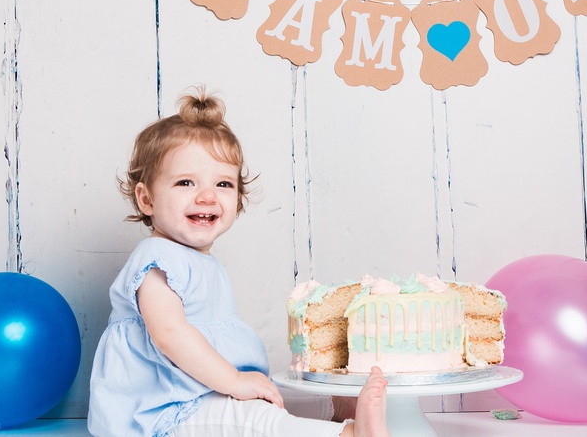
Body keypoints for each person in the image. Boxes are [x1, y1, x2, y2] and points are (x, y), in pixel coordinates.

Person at [88, 86, 390, 437]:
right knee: (254, 421)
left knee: (275, 395)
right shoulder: (155, 259)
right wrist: (232, 380)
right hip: (162, 412)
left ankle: (334, 407)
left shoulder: (203, 263)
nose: (207, 196)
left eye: (223, 184)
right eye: (185, 182)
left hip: (203, 392)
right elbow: (169, 334)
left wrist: (239, 384)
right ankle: (348, 435)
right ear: (146, 199)